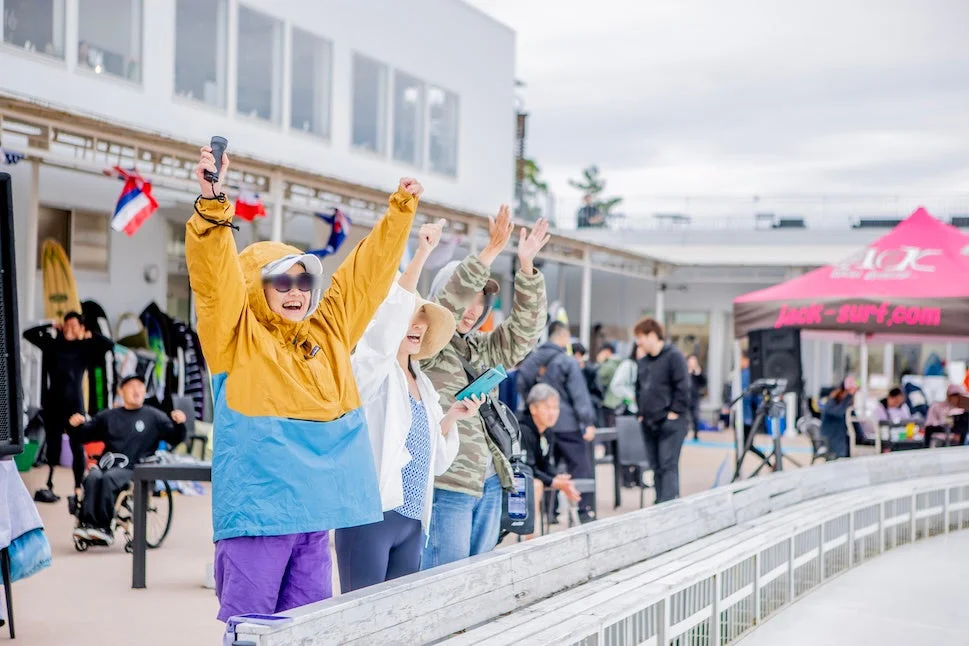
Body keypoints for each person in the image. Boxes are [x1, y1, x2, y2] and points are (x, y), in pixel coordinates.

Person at [185, 145, 420, 622]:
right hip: (256, 522)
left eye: (303, 280)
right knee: (249, 631)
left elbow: (365, 277)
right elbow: (214, 280)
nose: (295, 291)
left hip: (315, 521)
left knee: (307, 632)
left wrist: (399, 214)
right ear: (257, 286)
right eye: (281, 282)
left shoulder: (329, 331)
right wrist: (213, 202)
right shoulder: (234, 335)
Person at [336, 219, 484, 592]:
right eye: (410, 316)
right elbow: (385, 327)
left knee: (397, 622)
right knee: (359, 622)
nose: (416, 325)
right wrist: (421, 254)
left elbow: (437, 461)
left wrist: (451, 417)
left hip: (413, 520)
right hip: (370, 515)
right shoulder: (370, 371)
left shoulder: (424, 383)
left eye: (423, 318)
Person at [420, 205, 549, 569]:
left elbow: (524, 333)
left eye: (482, 301)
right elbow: (443, 310)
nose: (474, 309)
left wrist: (525, 269)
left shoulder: (482, 348)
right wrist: (490, 251)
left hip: (490, 480)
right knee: (444, 581)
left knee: (476, 579)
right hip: (447, 484)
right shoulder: (424, 345)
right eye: (469, 297)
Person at [67, 375, 186, 545]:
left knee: (108, 478)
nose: (136, 390)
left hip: (136, 469)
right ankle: (88, 524)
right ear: (120, 391)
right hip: (109, 466)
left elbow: (175, 438)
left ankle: (103, 526)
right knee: (93, 477)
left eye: (140, 386)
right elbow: (83, 435)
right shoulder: (109, 416)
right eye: (131, 386)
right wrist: (75, 426)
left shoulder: (154, 417)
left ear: (145, 391)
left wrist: (179, 424)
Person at [23, 312, 115, 503]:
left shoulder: (85, 347)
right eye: (67, 326)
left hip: (75, 404)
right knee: (53, 445)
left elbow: (108, 345)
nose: (69, 330)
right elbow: (28, 334)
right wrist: (50, 325)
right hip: (53, 404)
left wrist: (90, 333)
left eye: (74, 326)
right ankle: (49, 484)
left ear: (81, 328)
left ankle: (77, 486)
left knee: (76, 444)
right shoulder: (53, 345)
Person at [517, 321, 597, 522]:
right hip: (569, 424)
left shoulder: (533, 359)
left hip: (542, 424)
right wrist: (586, 421)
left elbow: (521, 382)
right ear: (563, 337)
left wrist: (534, 406)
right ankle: (584, 510)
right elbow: (579, 394)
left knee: (545, 466)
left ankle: (549, 512)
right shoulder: (567, 361)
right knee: (580, 467)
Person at [633, 318, 691, 504]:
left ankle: (669, 505)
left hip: (671, 422)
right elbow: (640, 388)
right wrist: (641, 413)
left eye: (640, 337)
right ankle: (659, 504)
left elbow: (683, 386)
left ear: (652, 335)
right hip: (649, 422)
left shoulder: (673, 356)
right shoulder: (644, 362)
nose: (638, 342)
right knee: (656, 466)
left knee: (668, 465)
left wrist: (675, 412)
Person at [517, 384, 582, 539]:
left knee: (564, 479)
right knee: (536, 485)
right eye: (547, 408)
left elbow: (545, 464)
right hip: (513, 477)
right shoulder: (523, 429)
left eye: (555, 408)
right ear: (533, 408)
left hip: (528, 472)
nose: (553, 413)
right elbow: (527, 468)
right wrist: (553, 482)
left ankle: (575, 531)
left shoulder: (547, 431)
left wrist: (557, 478)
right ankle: (530, 538)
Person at [819, 377, 857, 458]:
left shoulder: (845, 406)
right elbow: (838, 413)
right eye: (848, 394)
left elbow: (856, 425)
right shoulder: (831, 403)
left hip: (840, 444)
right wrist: (848, 398)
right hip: (831, 444)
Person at [595, 342, 621, 426]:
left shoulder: (609, 365)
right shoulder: (618, 363)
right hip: (617, 402)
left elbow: (597, 377)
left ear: (607, 352)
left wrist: (600, 362)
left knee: (607, 428)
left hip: (609, 402)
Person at [687, 354, 708, 441]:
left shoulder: (698, 373)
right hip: (685, 397)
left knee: (695, 416)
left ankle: (695, 434)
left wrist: (698, 373)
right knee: (685, 417)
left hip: (695, 398)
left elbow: (703, 383)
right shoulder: (683, 371)